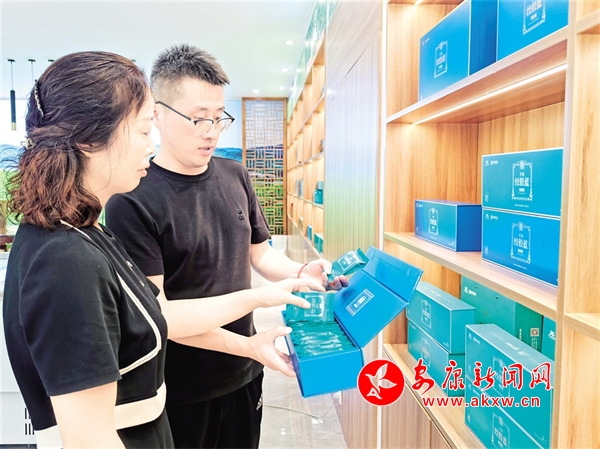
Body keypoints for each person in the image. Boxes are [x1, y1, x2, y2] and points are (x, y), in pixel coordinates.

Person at [3, 51, 323, 449]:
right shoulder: (64, 260)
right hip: (179, 397)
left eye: (219, 118)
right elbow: (90, 435)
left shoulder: (86, 235)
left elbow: (155, 315)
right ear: (89, 139)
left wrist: (251, 336)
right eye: (141, 131)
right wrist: (259, 297)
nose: (149, 144)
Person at [105, 43, 349, 449]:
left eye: (219, 117)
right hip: (179, 387)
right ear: (158, 115)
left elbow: (259, 253)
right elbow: (160, 316)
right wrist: (259, 299)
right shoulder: (131, 199)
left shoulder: (235, 175)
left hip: (246, 369)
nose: (212, 131)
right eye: (198, 118)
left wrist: (299, 273)